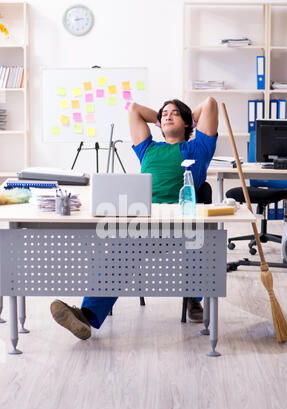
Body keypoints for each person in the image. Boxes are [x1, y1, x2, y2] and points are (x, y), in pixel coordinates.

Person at [50, 97, 218, 340]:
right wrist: (163, 119)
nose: (167, 116)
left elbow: (211, 103)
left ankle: (194, 296)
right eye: (163, 114)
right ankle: (85, 317)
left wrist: (188, 118)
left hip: (181, 227)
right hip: (144, 224)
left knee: (189, 242)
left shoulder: (198, 149)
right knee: (119, 247)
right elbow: (134, 110)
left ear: (188, 123)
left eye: (174, 114)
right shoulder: (148, 149)